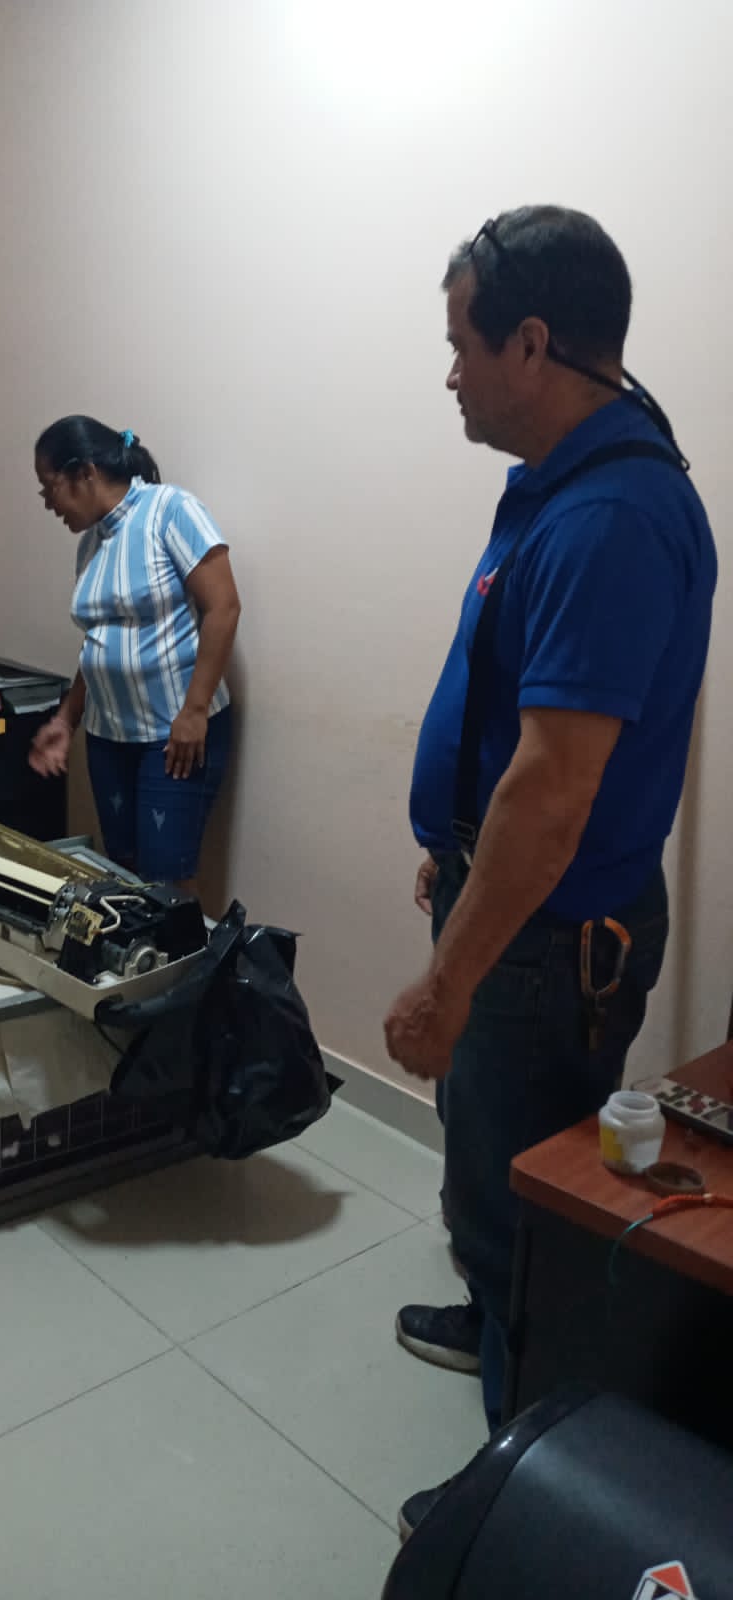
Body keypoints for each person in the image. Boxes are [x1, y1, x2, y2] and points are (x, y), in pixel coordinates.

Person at [383, 207, 717, 1537]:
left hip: (547, 943)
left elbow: (555, 786)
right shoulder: (562, 482)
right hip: (519, 909)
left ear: (530, 342)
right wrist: (457, 851)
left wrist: (447, 979)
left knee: (525, 1216)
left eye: (460, 343)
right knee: (498, 1184)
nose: (448, 372)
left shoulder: (612, 518)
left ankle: (514, 1496)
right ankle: (493, 1323)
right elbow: (513, 729)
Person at [29, 415, 241, 896]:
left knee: (165, 882)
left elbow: (224, 608)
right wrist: (65, 720)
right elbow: (100, 645)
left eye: (50, 486)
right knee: (124, 872)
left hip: (174, 734)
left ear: (85, 472)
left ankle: (178, 951)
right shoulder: (91, 543)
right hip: (108, 736)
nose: (47, 502)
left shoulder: (172, 510)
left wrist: (194, 711)